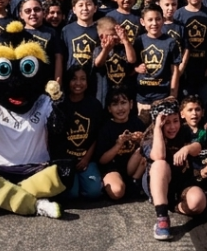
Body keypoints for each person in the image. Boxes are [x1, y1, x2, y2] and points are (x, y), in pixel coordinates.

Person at [144, 98, 207, 240]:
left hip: (182, 182)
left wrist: (187, 148)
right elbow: (158, 155)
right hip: (161, 182)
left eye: (175, 120)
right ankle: (162, 218)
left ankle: (173, 206)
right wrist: (158, 129)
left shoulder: (184, 131)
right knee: (160, 164)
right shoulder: (150, 136)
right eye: (167, 122)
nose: (172, 127)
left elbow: (198, 147)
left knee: (198, 203)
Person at [60, 66, 105, 200]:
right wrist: (68, 161)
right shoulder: (61, 104)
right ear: (68, 81)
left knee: (94, 193)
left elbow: (97, 135)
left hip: (87, 159)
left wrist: (86, 159)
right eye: (74, 79)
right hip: (67, 160)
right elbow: (57, 139)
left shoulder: (94, 105)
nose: (78, 83)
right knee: (72, 194)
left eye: (83, 79)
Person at [95, 89, 146, 201]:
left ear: (131, 104)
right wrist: (118, 145)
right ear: (109, 108)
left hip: (134, 167)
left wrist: (142, 140)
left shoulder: (137, 123)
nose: (120, 108)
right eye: (115, 104)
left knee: (145, 150)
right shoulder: (106, 128)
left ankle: (135, 181)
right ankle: (114, 184)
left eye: (123, 103)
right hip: (113, 168)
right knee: (117, 192)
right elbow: (102, 160)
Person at [134, 4, 182, 119]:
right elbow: (132, 65)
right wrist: (136, 68)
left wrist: (173, 93)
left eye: (158, 19)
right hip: (143, 95)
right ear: (142, 22)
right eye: (150, 20)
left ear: (163, 20)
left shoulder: (170, 42)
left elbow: (174, 70)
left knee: (161, 128)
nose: (154, 23)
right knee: (144, 130)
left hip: (163, 95)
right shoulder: (139, 41)